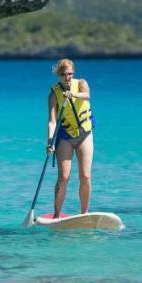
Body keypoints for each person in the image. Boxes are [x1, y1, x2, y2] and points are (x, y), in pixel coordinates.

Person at [46, 58, 94, 218]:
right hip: (65, 136)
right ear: (59, 75)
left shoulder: (81, 83)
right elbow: (52, 121)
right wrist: (50, 142)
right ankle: (57, 215)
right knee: (63, 177)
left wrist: (73, 94)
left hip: (84, 133)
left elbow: (87, 96)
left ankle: (84, 213)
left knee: (85, 176)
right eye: (64, 74)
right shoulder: (54, 93)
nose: (68, 77)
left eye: (70, 74)